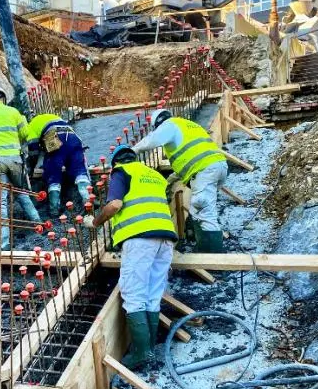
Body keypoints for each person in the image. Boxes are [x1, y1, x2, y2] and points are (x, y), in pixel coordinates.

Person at [86, 145, 176, 369]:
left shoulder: (121, 172)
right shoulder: (154, 175)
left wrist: (95, 222)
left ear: (115, 162)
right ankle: (151, 349)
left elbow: (115, 204)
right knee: (153, 293)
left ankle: (142, 354)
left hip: (140, 239)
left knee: (133, 294)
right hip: (165, 238)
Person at [132, 109, 227, 252]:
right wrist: (169, 181)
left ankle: (213, 257)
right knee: (199, 209)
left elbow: (152, 140)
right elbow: (189, 157)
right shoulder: (187, 124)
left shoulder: (169, 125)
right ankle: (202, 245)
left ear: (158, 123)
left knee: (203, 210)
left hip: (204, 170)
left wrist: (132, 150)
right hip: (218, 166)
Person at [0, 87, 41, 250]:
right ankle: (38, 224)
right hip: (14, 159)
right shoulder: (13, 111)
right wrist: (23, 121)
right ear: (3, 99)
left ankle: (4, 243)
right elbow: (25, 135)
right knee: (21, 192)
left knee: (0, 202)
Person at [25, 113, 91, 217]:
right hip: (73, 137)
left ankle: (54, 209)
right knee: (80, 171)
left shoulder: (31, 125)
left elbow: (33, 149)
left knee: (53, 175)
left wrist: (32, 169)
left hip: (55, 139)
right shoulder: (53, 117)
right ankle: (88, 200)